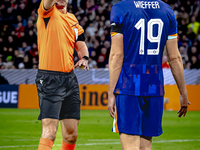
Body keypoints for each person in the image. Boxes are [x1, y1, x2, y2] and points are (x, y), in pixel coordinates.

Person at [108, 0, 191, 150]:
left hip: (129, 87)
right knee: (145, 147)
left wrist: (111, 93)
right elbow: (174, 58)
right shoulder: (167, 10)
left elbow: (117, 55)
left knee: (131, 146)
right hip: (155, 87)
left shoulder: (120, 8)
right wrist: (183, 93)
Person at [35, 0, 89, 150]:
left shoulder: (72, 19)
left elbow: (81, 43)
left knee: (71, 134)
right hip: (49, 79)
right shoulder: (47, 12)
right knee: (50, 131)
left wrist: (84, 58)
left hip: (69, 79)